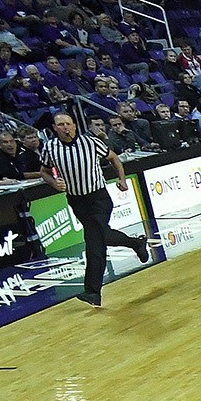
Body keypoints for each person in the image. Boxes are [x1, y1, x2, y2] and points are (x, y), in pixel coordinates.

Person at [38, 110, 147, 308]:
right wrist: (54, 183)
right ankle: (135, 243)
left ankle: (93, 291)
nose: (65, 127)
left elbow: (114, 158)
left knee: (95, 240)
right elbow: (44, 171)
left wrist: (122, 179)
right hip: (76, 201)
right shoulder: (50, 147)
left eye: (68, 123)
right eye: (60, 125)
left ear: (74, 125)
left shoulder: (90, 142)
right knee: (98, 238)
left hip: (98, 198)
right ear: (54, 128)